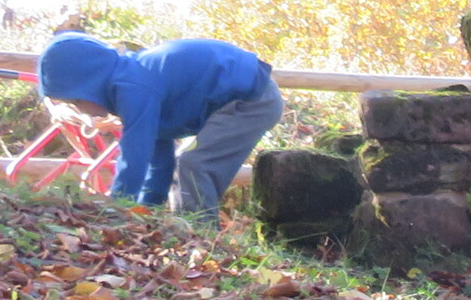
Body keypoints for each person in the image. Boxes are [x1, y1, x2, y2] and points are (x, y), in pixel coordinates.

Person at [35, 32, 285, 214]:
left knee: (194, 164)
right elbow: (159, 163)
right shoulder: (135, 88)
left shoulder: (134, 88)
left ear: (89, 83)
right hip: (242, 99)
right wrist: (147, 211)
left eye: (75, 100)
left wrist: (116, 210)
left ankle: (199, 239)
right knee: (183, 163)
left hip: (253, 100)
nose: (79, 109)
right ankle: (188, 233)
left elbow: (135, 157)